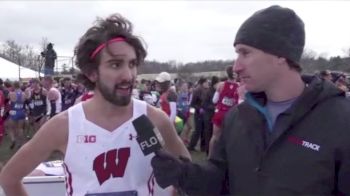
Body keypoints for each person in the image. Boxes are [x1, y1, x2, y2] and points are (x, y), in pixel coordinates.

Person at [150, 5, 350, 195]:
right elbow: (220, 180)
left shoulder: (339, 119)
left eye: (245, 53)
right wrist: (185, 174)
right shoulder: (238, 116)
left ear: (281, 55)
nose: (236, 67)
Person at [0, 13, 190, 196]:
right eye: (116, 65)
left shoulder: (154, 120)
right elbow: (9, 178)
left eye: (132, 64)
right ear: (92, 73)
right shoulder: (65, 125)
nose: (128, 75)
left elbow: (190, 178)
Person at [209, 66, 239, 157]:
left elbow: (214, 100)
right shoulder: (239, 86)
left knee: (215, 137)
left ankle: (210, 156)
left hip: (220, 113)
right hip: (231, 115)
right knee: (229, 138)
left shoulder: (221, 85)